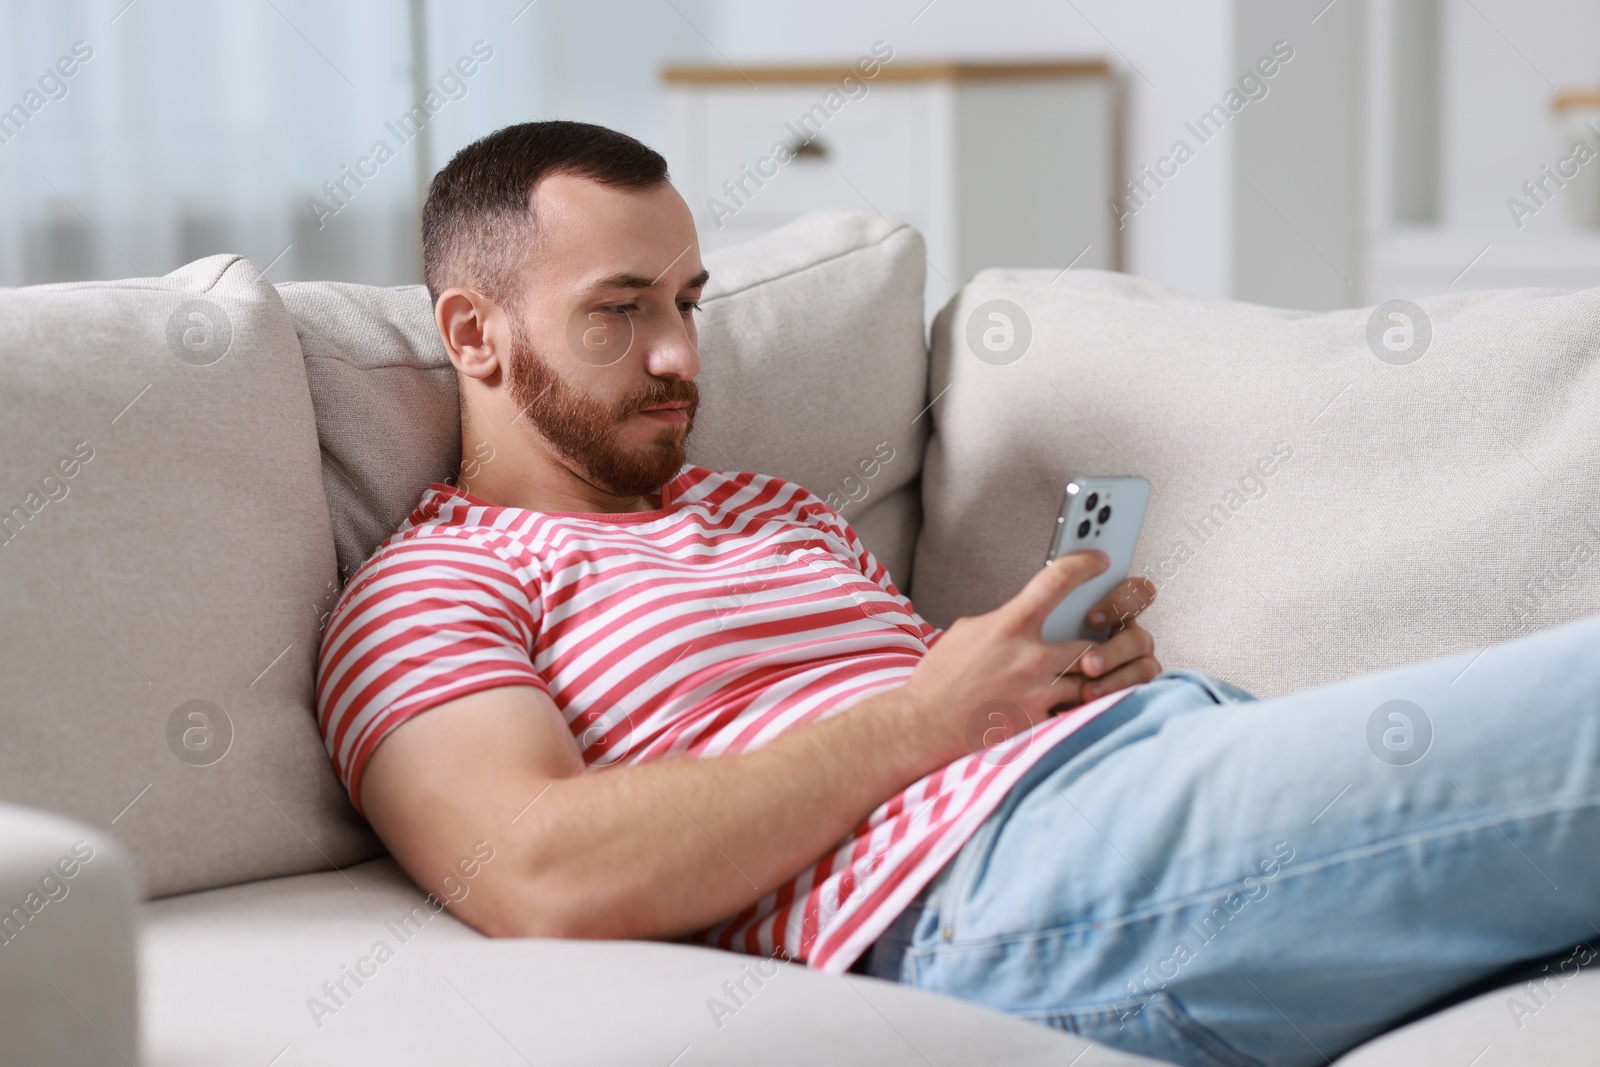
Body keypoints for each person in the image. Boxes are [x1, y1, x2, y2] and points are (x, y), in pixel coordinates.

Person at [314, 121, 1600, 1067]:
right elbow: (530, 869)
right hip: (995, 890)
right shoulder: (431, 586)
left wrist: (1045, 681)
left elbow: (928, 713)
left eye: (690, 303)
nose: (678, 355)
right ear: (475, 334)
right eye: (620, 310)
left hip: (1146, 768)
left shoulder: (774, 509)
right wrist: (934, 715)